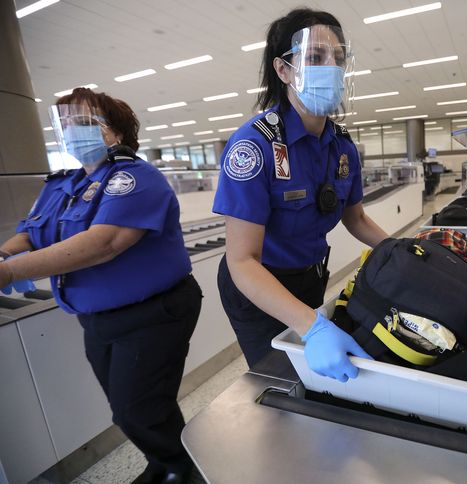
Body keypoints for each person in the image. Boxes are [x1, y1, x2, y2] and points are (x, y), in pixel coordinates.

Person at [0, 88, 202, 484]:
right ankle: (166, 465)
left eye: (85, 122)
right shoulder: (61, 185)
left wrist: (9, 273)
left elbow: (104, 243)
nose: (73, 131)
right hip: (98, 320)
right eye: (66, 124)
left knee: (137, 409)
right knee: (130, 407)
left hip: (153, 315)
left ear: (115, 132)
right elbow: (30, 233)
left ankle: (186, 470)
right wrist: (3, 255)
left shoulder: (136, 178)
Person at [213, 8, 389, 382]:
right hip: (257, 285)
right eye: (315, 57)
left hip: (309, 276)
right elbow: (242, 261)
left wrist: (398, 249)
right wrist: (313, 328)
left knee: (319, 375)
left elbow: (354, 218)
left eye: (339, 59)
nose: (331, 67)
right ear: (283, 70)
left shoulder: (341, 146)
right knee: (284, 380)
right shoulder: (254, 146)